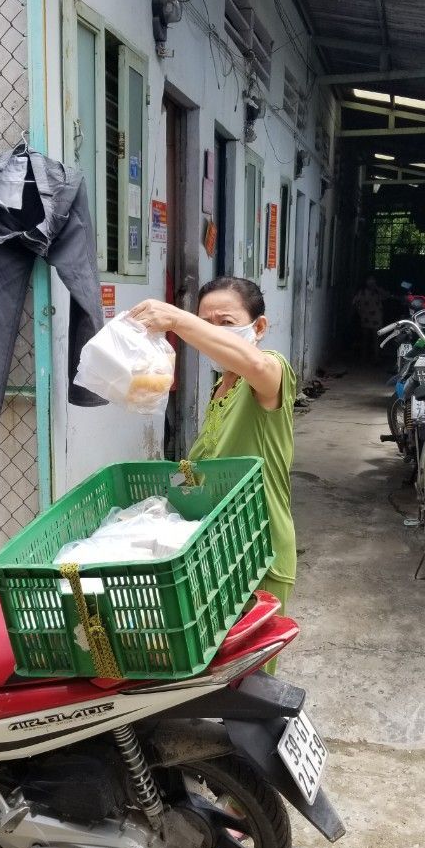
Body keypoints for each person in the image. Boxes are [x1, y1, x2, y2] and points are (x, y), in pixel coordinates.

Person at [129, 277, 296, 673]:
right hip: (220, 547)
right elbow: (205, 466)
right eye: (206, 323)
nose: (213, 332)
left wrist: (177, 319)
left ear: (258, 327)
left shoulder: (270, 374)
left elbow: (256, 364)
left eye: (226, 323)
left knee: (251, 680)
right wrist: (160, 499)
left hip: (262, 547)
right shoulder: (222, 386)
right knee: (216, 671)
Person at [352, 274, 386, 363]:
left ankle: (376, 358)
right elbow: (354, 303)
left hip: (376, 318)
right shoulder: (362, 292)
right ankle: (364, 358)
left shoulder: (378, 291)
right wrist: (359, 312)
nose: (371, 282)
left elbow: (386, 296)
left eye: (373, 280)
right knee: (365, 338)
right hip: (365, 318)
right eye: (369, 280)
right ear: (365, 282)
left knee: (376, 338)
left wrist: (377, 288)